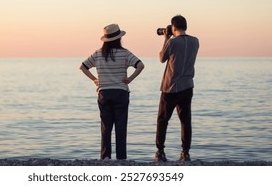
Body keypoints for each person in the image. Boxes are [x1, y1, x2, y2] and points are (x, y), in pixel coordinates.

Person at [80, 24, 144, 160]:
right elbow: (140, 65)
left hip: (104, 93)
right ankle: (121, 158)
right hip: (121, 93)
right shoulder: (125, 53)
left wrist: (95, 80)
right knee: (121, 128)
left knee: (106, 127)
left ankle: (105, 157)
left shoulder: (98, 54)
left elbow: (83, 67)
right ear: (119, 38)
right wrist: (130, 79)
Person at [154, 15, 199, 162]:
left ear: (173, 28)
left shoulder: (172, 42)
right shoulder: (195, 41)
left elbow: (162, 58)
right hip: (187, 86)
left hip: (170, 87)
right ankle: (185, 153)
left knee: (163, 119)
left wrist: (166, 38)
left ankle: (160, 152)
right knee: (185, 120)